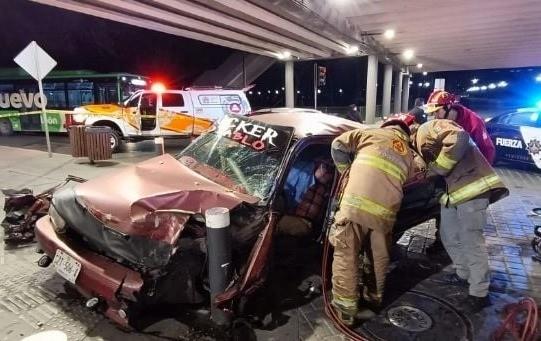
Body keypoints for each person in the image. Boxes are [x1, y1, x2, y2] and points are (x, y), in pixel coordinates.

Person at [413, 119, 509, 312]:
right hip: (453, 193)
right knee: (448, 235)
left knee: (471, 241)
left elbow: (460, 137)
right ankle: (463, 273)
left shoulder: (429, 128)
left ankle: (479, 293)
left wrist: (440, 167)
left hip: (473, 190)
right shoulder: (419, 141)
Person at [329, 120, 416, 325]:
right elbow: (409, 179)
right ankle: (373, 301)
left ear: (387, 126)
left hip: (354, 207)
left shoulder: (371, 133)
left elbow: (337, 145)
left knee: (346, 256)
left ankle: (346, 311)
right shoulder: (409, 154)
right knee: (378, 259)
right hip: (384, 215)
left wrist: (346, 172)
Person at [424, 90, 495, 164]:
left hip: (469, 165)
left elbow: (487, 149)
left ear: (448, 106)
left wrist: (482, 170)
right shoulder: (441, 121)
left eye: (437, 111)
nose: (435, 116)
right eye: (432, 113)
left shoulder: (474, 122)